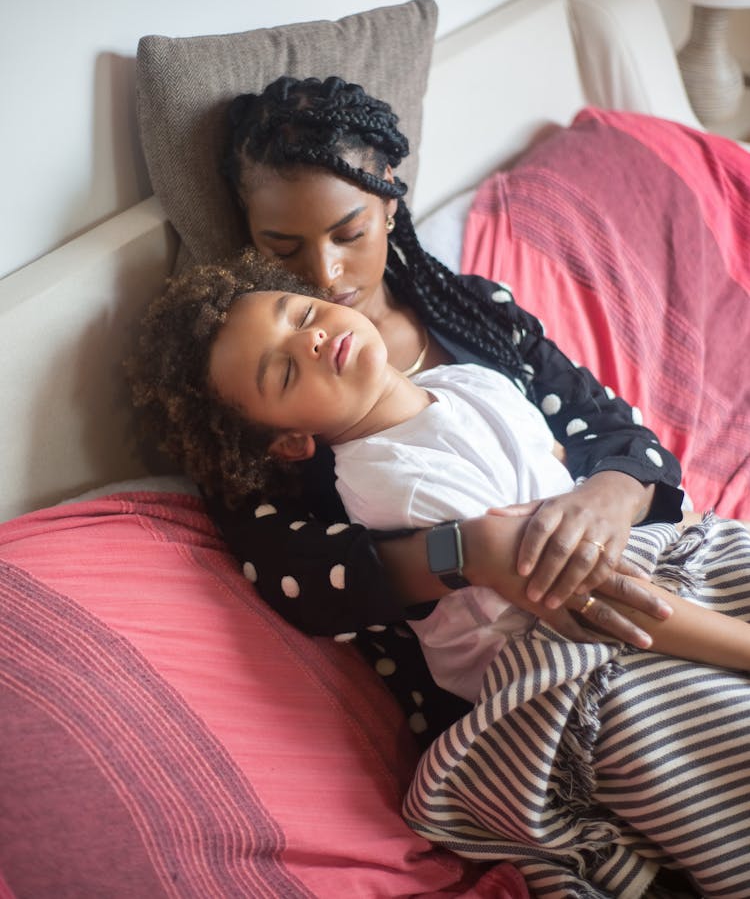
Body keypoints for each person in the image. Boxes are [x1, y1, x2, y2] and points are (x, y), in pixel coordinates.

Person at [129, 249, 750, 897]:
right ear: (289, 443)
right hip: (576, 661)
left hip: (641, 584)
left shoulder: (468, 382)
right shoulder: (394, 488)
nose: (310, 339)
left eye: (302, 313)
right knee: (706, 728)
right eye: (284, 371)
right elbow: (594, 602)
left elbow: (569, 465)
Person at [204, 73, 685, 739]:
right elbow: (301, 577)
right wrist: (470, 552)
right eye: (282, 249)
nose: (325, 275)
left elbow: (622, 437)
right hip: (526, 697)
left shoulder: (473, 317)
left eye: (350, 234)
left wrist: (604, 498)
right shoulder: (265, 399)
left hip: (639, 580)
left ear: (391, 203)